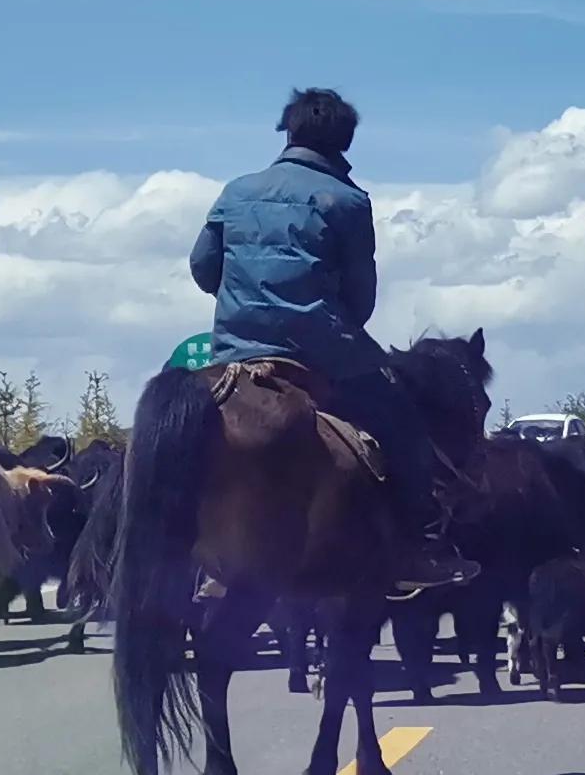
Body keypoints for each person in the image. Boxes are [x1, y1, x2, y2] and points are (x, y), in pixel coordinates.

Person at [188, 87, 476, 594]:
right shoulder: (347, 201)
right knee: (404, 426)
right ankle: (419, 546)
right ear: (344, 141)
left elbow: (202, 268)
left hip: (236, 352)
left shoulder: (235, 192)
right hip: (321, 351)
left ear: (288, 131)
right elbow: (361, 296)